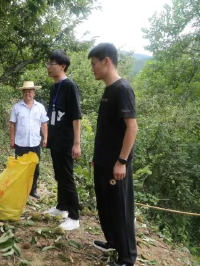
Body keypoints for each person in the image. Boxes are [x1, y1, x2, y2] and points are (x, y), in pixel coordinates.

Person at [88, 43, 138, 266]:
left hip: (116, 165)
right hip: (103, 161)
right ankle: (114, 242)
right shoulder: (109, 89)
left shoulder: (122, 89)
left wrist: (122, 161)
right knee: (106, 206)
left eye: (94, 63)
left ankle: (127, 258)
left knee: (120, 209)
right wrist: (98, 156)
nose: (92, 68)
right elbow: (108, 129)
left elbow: (132, 128)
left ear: (106, 61)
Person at [43, 50, 82, 231]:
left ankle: (74, 217)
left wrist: (77, 143)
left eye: (52, 63)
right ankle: (62, 208)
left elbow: (76, 117)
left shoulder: (69, 86)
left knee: (67, 177)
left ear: (62, 66)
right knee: (59, 175)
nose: (49, 67)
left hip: (66, 140)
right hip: (55, 139)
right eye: (48, 63)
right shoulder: (54, 86)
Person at [9, 81, 49, 199]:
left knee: (34, 167)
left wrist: (45, 137)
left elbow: (44, 123)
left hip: (35, 142)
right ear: (22, 93)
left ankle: (33, 189)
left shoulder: (40, 107)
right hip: (20, 143)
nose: (28, 94)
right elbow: (12, 124)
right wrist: (12, 140)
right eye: (25, 92)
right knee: (20, 167)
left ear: (34, 93)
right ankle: (20, 189)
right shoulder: (17, 107)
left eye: (30, 91)